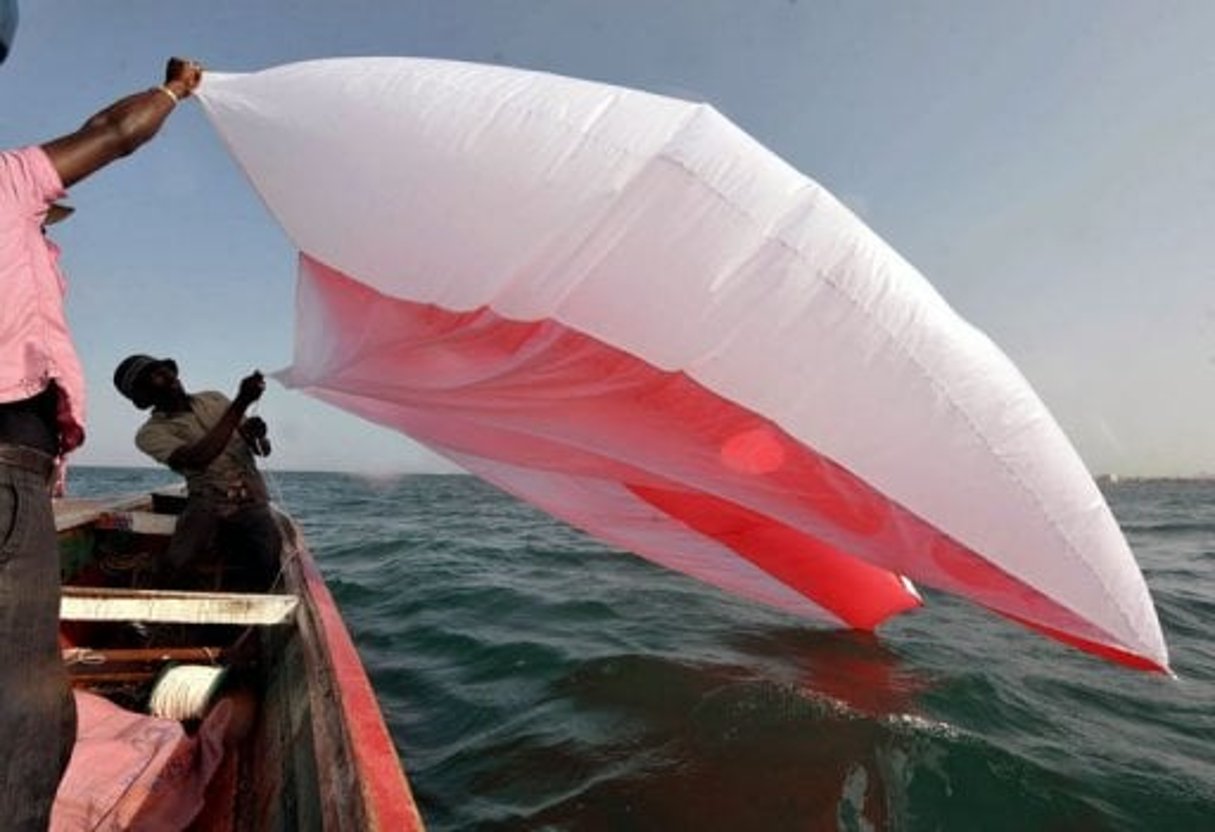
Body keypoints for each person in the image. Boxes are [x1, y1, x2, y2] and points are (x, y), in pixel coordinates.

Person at [0, 57, 202, 828]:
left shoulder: (206, 402)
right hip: (6, 463)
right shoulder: (12, 181)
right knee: (22, 718)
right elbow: (114, 132)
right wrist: (177, 89)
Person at [113, 355, 282, 591]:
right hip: (206, 502)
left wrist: (259, 435)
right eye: (155, 377)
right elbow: (198, 459)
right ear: (144, 396)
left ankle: (251, 621)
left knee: (268, 556)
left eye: (165, 370)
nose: (168, 377)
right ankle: (160, 619)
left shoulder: (215, 398)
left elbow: (263, 450)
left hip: (252, 501)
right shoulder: (149, 434)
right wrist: (241, 402)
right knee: (177, 562)